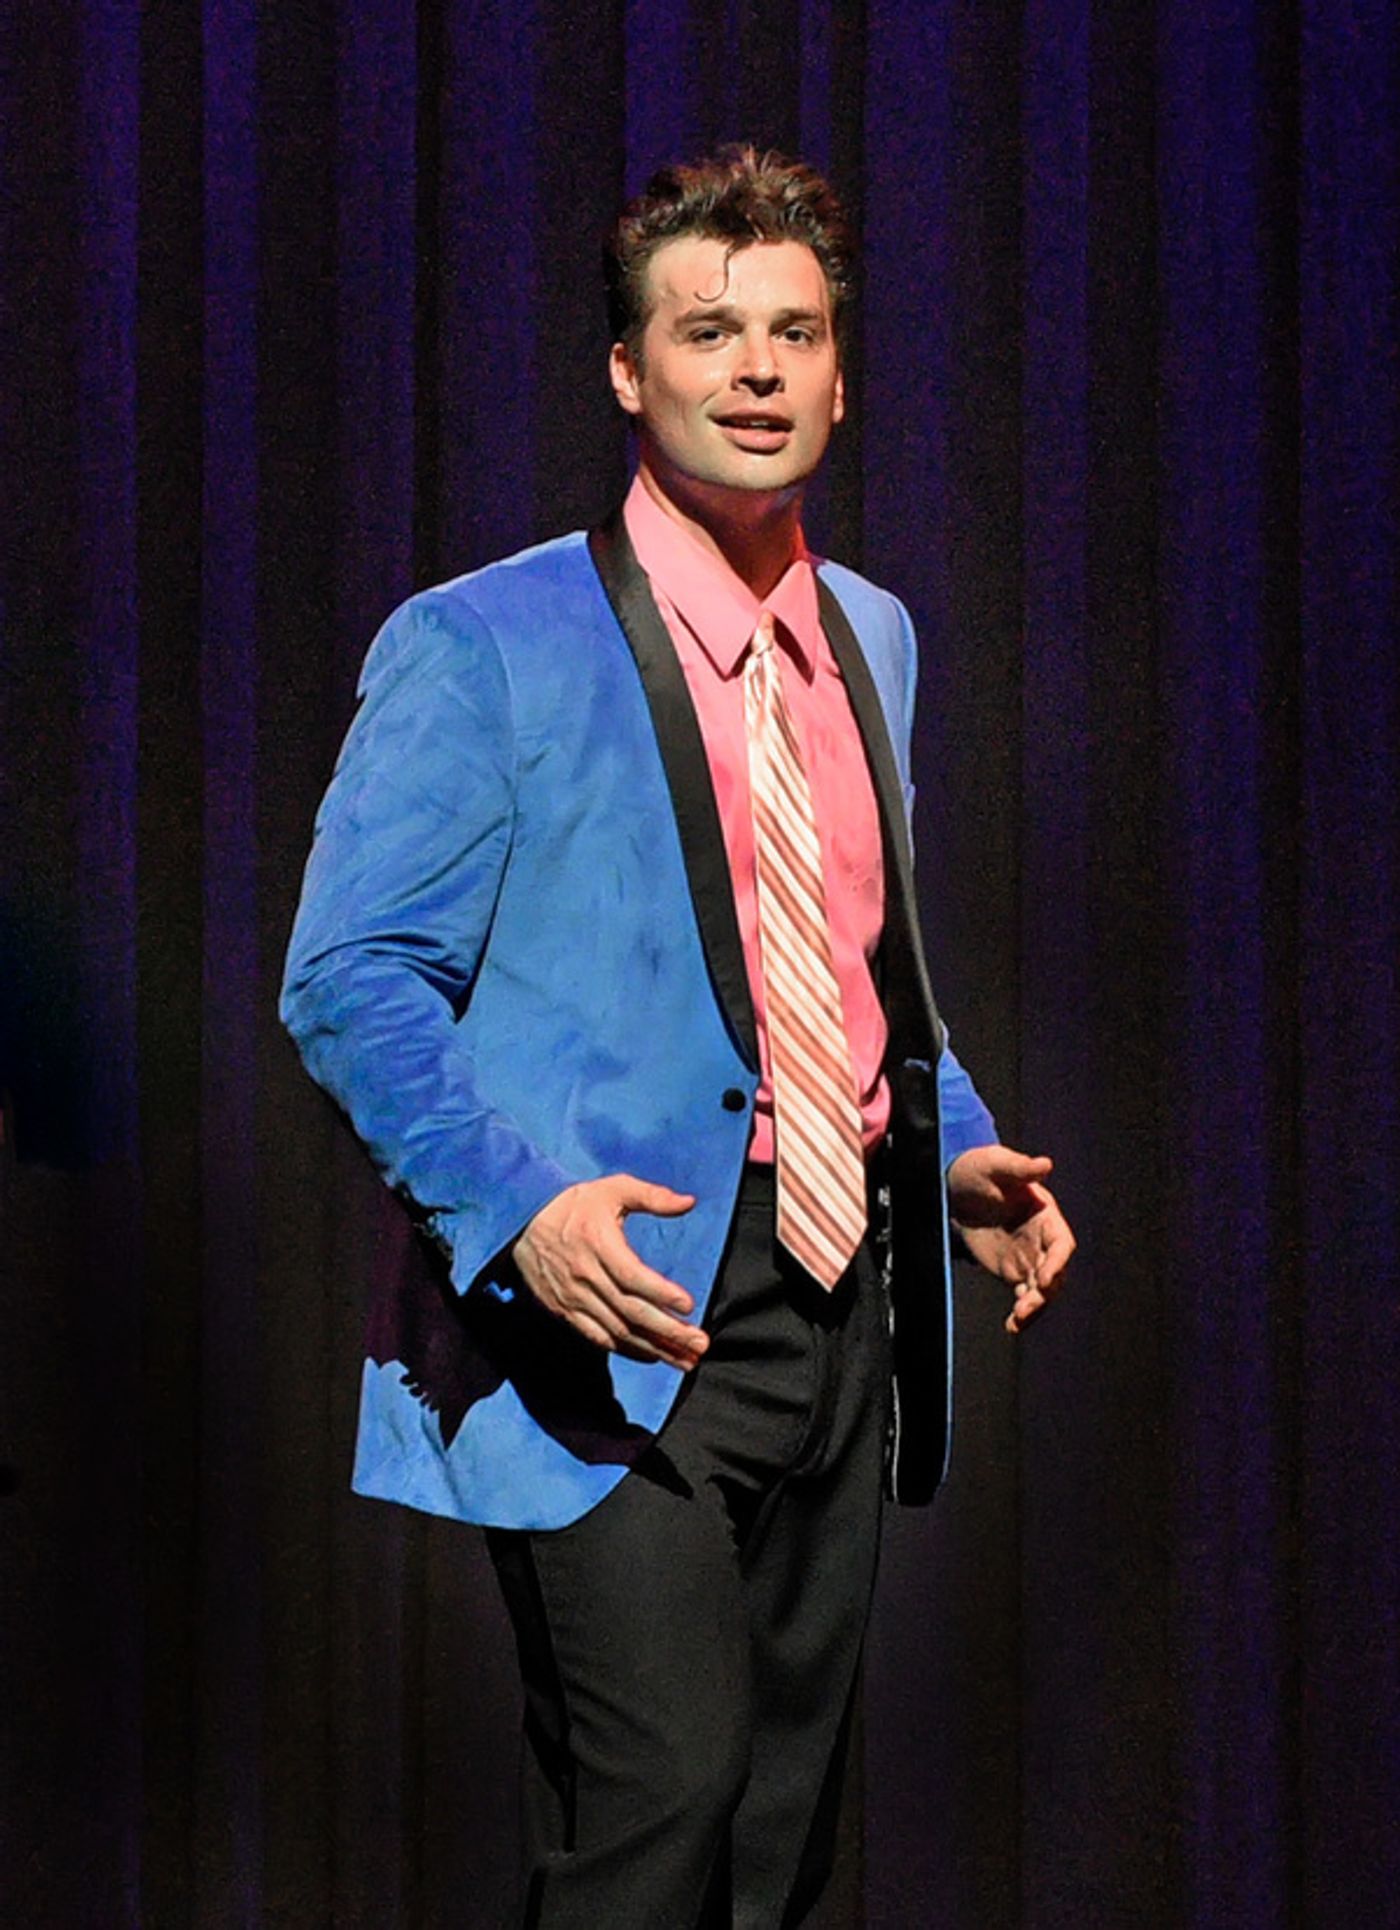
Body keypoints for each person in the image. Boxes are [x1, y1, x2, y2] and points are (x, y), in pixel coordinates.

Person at [281, 145, 1074, 1929]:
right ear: (629, 372)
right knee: (663, 1802)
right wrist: (518, 1212)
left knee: (778, 1839)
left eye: (795, 332)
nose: (760, 369)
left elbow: (856, 963)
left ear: (845, 373)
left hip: (838, 1301)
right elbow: (347, 975)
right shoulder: (482, 643)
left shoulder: (871, 633)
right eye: (710, 331)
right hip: (611, 1308)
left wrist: (952, 1149)